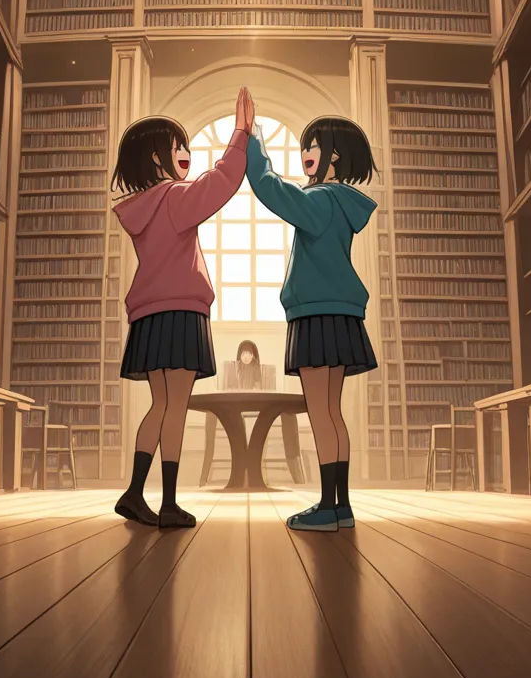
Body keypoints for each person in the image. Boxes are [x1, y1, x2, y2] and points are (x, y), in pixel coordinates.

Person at [111, 86, 255, 528]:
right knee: (176, 407)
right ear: (157, 158)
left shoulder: (138, 208)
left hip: (148, 316)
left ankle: (135, 493)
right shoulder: (174, 198)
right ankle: (169, 503)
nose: (186, 153)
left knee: (159, 405)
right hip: (180, 312)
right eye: (177, 147)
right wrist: (240, 134)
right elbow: (222, 182)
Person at [245, 114, 377, 531]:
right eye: (304, 147)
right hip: (341, 314)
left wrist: (254, 143)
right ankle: (342, 507)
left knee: (320, 413)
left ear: (334, 155)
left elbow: (271, 190)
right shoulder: (343, 203)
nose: (305, 154)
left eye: (313, 146)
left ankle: (325, 506)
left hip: (316, 313)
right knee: (332, 412)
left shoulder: (321, 200)